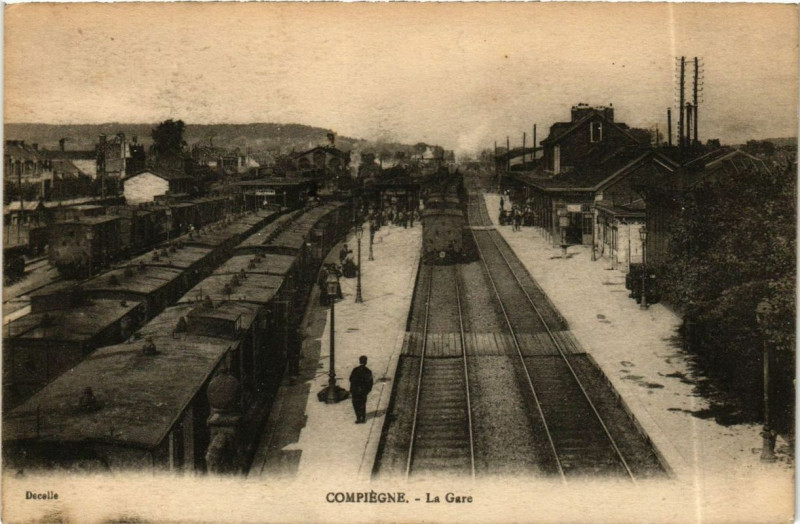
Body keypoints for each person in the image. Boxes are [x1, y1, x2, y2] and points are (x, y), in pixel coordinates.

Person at [349, 355, 373, 424]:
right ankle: (363, 418)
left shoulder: (355, 370)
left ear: (359, 361)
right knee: (362, 404)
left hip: (355, 391)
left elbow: (350, 379)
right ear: (366, 362)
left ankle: (358, 417)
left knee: (355, 404)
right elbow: (370, 383)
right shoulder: (368, 371)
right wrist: (367, 391)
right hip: (363, 391)